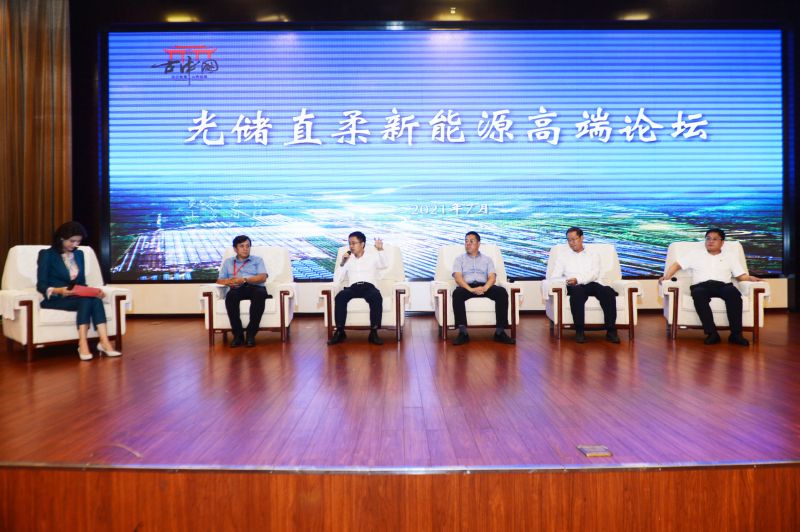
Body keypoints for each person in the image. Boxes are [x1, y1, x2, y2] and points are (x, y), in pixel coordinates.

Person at [660, 228, 761, 346]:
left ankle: (736, 335)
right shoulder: (695, 254)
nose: (710, 241)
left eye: (714, 239)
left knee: (733, 294)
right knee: (698, 294)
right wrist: (666, 277)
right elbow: (677, 265)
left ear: (722, 242)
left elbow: (740, 276)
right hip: (701, 286)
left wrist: (751, 278)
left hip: (724, 286)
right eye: (708, 239)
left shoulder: (730, 256)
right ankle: (712, 334)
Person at [37, 221, 121, 361]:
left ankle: (104, 342)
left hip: (76, 296)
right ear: (61, 238)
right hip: (57, 299)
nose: (75, 244)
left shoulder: (79, 254)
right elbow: (41, 285)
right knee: (87, 300)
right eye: (72, 241)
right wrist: (59, 290)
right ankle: (83, 343)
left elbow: (81, 283)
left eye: (78, 241)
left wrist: (94, 291)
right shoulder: (47, 254)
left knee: (94, 299)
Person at [549, 227, 620, 344]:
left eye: (574, 239)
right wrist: (567, 281)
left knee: (607, 291)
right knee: (577, 292)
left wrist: (578, 279)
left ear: (582, 238)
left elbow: (594, 274)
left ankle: (611, 331)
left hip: (592, 283)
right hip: (574, 286)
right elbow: (555, 277)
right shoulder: (563, 256)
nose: (572, 243)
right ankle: (580, 331)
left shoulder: (593, 254)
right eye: (569, 240)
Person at [450, 231, 515, 346]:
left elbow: (492, 277)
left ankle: (499, 332)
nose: (468, 244)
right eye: (466, 241)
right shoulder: (459, 259)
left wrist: (485, 288)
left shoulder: (487, 259)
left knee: (501, 292)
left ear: (478, 243)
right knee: (457, 293)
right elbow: (458, 278)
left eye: (471, 241)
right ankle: (463, 333)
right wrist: (470, 289)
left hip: (484, 285)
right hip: (467, 286)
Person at [328, 231, 387, 345]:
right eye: (349, 243)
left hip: (369, 286)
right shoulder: (348, 259)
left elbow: (384, 264)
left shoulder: (372, 257)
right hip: (353, 287)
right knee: (340, 296)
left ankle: (373, 332)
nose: (351, 246)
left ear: (362, 244)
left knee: (376, 296)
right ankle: (340, 332)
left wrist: (380, 250)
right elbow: (337, 279)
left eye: (354, 243)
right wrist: (342, 262)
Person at [217, 235, 268, 347]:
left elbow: (263, 277)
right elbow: (219, 280)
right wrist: (229, 281)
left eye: (247, 246)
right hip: (236, 288)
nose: (245, 249)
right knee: (230, 297)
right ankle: (238, 335)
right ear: (235, 249)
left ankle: (251, 334)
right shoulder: (228, 262)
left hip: (255, 287)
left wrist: (244, 280)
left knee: (260, 294)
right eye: (242, 246)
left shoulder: (257, 260)